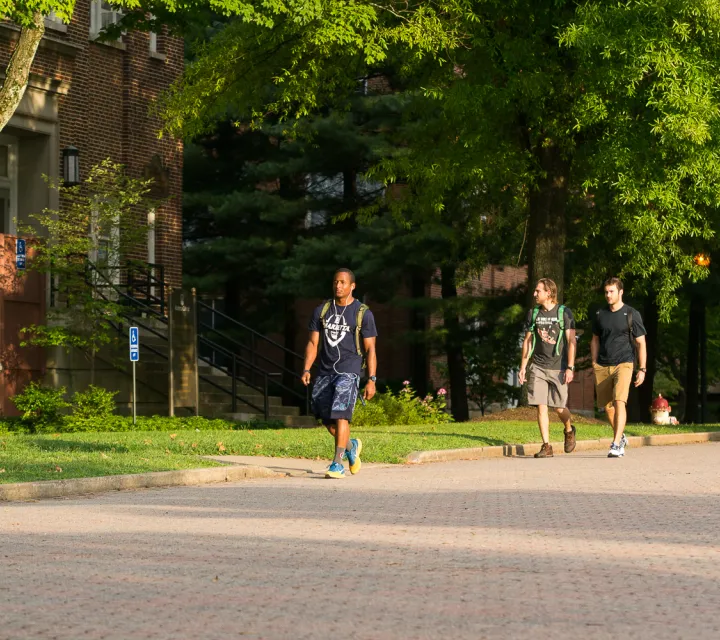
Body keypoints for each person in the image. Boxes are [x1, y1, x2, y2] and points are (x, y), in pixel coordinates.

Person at [301, 268, 378, 478]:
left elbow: (371, 349)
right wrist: (307, 368)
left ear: (352, 286)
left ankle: (337, 463)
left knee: (341, 414)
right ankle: (351, 446)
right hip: (325, 370)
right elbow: (312, 343)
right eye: (336, 282)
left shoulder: (363, 313)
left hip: (349, 371)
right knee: (326, 419)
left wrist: (371, 379)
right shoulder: (322, 311)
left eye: (343, 282)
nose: (338, 286)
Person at [518, 278, 577, 458]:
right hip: (538, 366)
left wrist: (570, 367)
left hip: (558, 368)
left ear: (549, 293)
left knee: (559, 407)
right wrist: (523, 367)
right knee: (541, 406)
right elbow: (528, 341)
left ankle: (569, 430)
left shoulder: (564, 313)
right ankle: (546, 446)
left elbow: (571, 341)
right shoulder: (533, 313)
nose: (535, 294)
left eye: (538, 291)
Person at [591, 277, 647, 458]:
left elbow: (641, 343)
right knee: (607, 407)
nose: (608, 295)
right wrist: (593, 361)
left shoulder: (631, 314)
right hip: (603, 364)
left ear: (620, 292)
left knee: (619, 401)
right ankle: (621, 436)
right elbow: (595, 339)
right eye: (606, 292)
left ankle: (615, 444)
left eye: (611, 291)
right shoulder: (600, 314)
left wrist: (642, 369)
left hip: (625, 363)